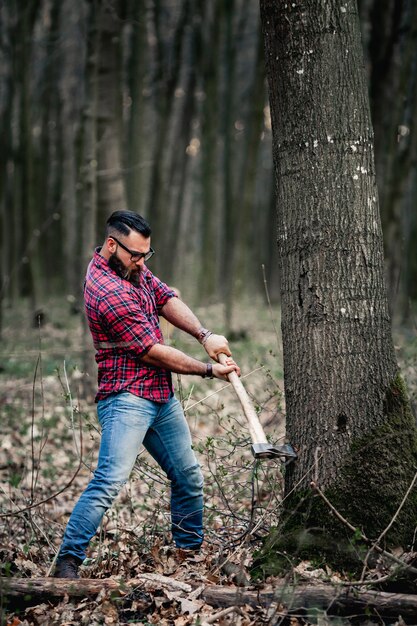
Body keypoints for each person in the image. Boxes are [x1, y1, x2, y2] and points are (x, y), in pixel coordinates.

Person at [53, 210, 240, 578]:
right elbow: (150, 349)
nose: (141, 262)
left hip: (158, 395)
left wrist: (205, 335)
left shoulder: (132, 268)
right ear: (111, 244)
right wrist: (207, 369)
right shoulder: (105, 289)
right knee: (109, 481)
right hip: (126, 399)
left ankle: (188, 557)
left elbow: (164, 297)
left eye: (146, 255)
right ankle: (67, 563)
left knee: (187, 475)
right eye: (135, 255)